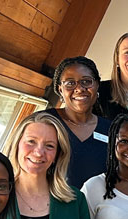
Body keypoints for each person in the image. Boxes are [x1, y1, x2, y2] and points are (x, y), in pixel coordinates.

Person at [46, 57, 114, 190]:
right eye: (70, 83)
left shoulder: (111, 129)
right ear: (60, 90)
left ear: (97, 86)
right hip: (51, 207)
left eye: (86, 82)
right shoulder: (45, 122)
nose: (79, 88)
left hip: (97, 208)